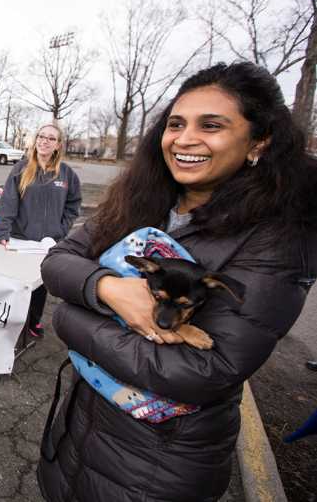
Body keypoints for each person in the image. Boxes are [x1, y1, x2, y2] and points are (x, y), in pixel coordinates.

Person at [37, 62, 317, 501]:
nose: (185, 139)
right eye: (175, 124)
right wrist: (110, 289)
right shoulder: (141, 200)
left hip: (157, 465)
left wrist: (70, 318)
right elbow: (58, 263)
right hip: (80, 427)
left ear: (258, 141)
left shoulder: (278, 235)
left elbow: (204, 371)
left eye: (211, 125)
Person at [0, 124, 81, 337]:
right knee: (17, 283)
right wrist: (3, 231)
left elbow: (73, 205)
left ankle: (33, 321)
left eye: (51, 138)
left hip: (47, 244)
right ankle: (12, 323)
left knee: (39, 284)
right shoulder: (21, 169)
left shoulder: (67, 174)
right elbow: (8, 202)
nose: (44, 141)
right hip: (20, 239)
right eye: (41, 136)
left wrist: (60, 231)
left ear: (58, 145)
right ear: (36, 140)